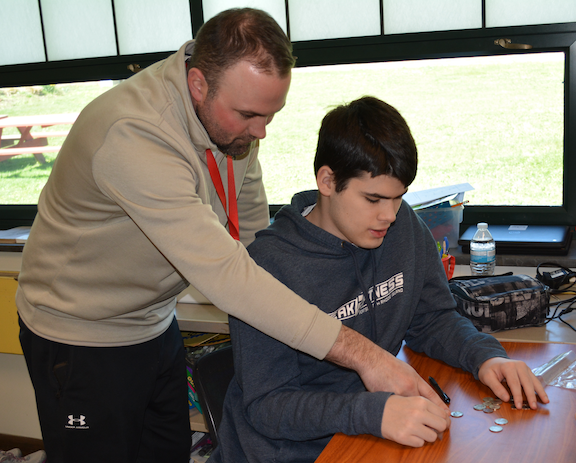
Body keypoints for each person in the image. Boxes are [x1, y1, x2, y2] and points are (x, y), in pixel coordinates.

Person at [14, 9, 445, 463]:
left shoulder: (230, 124)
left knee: (166, 452)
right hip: (81, 334)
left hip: (152, 321)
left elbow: (256, 240)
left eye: (270, 114)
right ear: (198, 84)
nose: (260, 131)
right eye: (249, 115)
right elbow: (225, 273)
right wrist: (365, 355)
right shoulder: (135, 135)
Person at [212, 96, 549, 463]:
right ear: (327, 181)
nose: (388, 215)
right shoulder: (267, 267)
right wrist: (374, 413)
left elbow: (432, 319)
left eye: (398, 197)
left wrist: (485, 358)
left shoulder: (402, 225)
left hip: (364, 436)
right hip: (285, 451)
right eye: (373, 198)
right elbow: (268, 406)